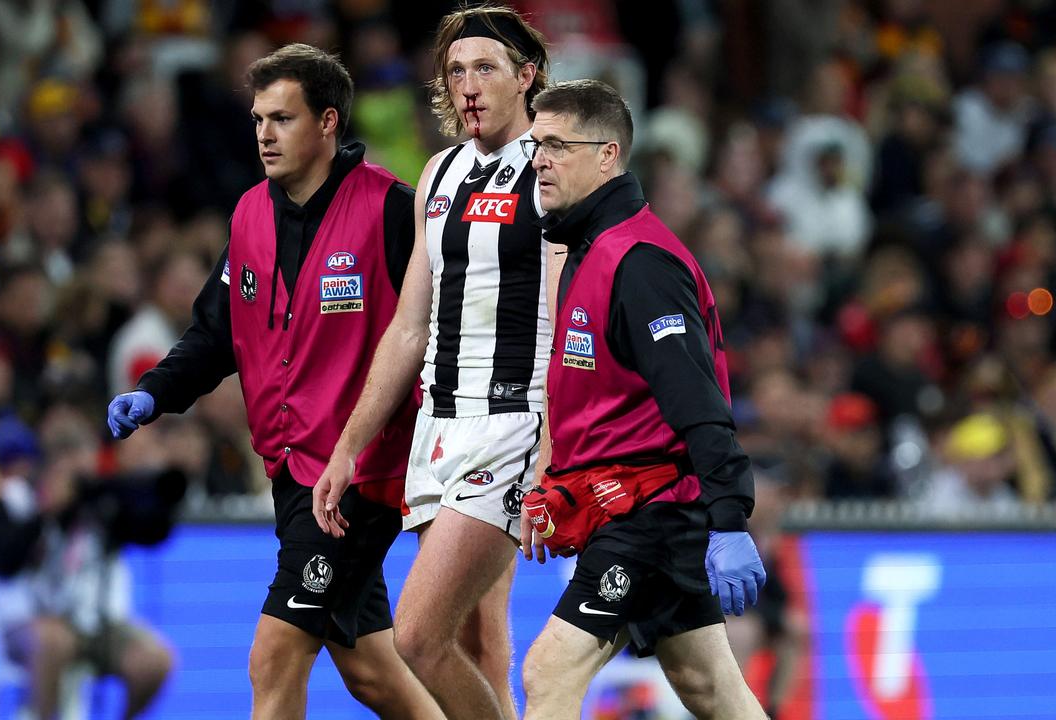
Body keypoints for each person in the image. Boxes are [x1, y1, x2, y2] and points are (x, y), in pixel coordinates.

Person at [104, 44, 441, 720]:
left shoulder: (389, 212)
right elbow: (216, 331)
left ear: (327, 123)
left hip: (356, 477)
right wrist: (157, 392)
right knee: (371, 671)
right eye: (258, 118)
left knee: (274, 655)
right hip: (291, 472)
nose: (263, 133)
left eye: (282, 118)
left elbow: (436, 331)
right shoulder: (250, 214)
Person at [314, 6, 554, 720]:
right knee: (476, 636)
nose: (468, 85)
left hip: (514, 420)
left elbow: (580, 307)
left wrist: (556, 437)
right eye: (455, 70)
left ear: (527, 75)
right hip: (439, 426)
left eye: (485, 67)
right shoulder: (440, 174)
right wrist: (350, 444)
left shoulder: (552, 163)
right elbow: (408, 326)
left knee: (417, 637)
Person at [516, 79, 767, 719]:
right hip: (633, 505)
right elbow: (602, 397)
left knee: (549, 671)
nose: (539, 158)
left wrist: (730, 516)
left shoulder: (639, 263)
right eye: (535, 143)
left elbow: (695, 396)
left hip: (654, 513)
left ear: (607, 156)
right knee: (715, 694)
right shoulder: (592, 248)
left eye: (556, 144)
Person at [0, 406, 178, 720]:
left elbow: (152, 534)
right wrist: (45, 511)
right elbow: (0, 562)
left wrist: (147, 495)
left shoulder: (99, 502)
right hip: (25, 622)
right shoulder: (17, 498)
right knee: (54, 640)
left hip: (94, 624)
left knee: (154, 661)